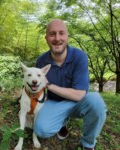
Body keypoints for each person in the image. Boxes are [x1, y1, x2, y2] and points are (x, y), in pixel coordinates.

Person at [34, 19, 107, 150]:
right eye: (52, 34)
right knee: (41, 130)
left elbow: (79, 95)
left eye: (61, 33)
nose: (57, 38)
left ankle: (88, 144)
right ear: (46, 38)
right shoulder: (41, 60)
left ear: (67, 36)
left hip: (77, 102)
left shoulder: (79, 56)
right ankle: (62, 122)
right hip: (54, 101)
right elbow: (37, 87)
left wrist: (49, 85)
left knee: (96, 101)